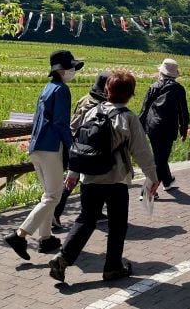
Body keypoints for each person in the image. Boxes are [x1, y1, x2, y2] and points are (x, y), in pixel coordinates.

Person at [48, 70, 160, 282]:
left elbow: (80, 145)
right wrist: (152, 177)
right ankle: (112, 267)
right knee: (118, 225)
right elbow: (142, 152)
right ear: (130, 94)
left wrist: (73, 173)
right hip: (115, 179)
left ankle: (63, 259)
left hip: (89, 178)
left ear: (107, 90)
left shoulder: (91, 112)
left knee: (86, 220)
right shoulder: (128, 118)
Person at [4, 50, 84, 260]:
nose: (74, 71)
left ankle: (46, 239)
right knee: (52, 197)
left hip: (36, 147)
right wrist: (72, 146)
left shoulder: (47, 88)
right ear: (63, 70)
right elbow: (60, 123)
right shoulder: (62, 90)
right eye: (72, 67)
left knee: (49, 194)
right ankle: (19, 234)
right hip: (51, 148)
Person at [52, 71, 111, 229]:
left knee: (80, 178)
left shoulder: (85, 98)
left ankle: (94, 212)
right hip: (86, 145)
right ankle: (56, 212)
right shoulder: (99, 105)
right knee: (77, 179)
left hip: (73, 142)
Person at [139, 58, 189, 193]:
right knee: (161, 158)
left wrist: (140, 128)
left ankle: (167, 182)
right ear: (174, 75)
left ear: (161, 73)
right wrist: (183, 129)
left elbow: (145, 108)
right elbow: (183, 111)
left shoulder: (154, 86)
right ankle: (147, 191)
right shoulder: (178, 89)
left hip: (153, 126)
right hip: (168, 127)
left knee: (159, 156)